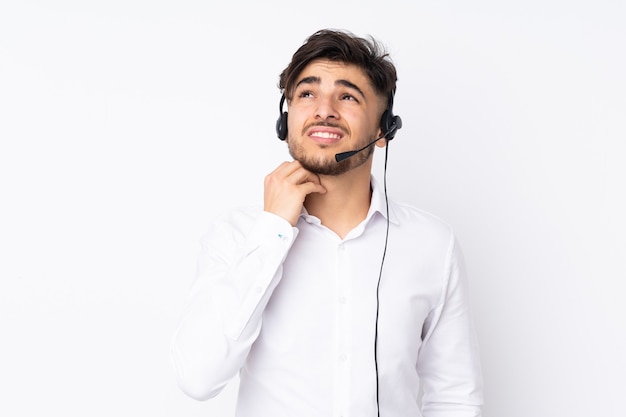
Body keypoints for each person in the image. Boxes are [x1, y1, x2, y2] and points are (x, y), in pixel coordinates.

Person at [170, 28, 483, 417]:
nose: (323, 109)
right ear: (285, 120)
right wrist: (273, 232)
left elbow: (454, 396)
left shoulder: (432, 244)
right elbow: (198, 379)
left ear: (384, 128)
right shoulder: (236, 236)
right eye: (307, 93)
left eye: (347, 96)